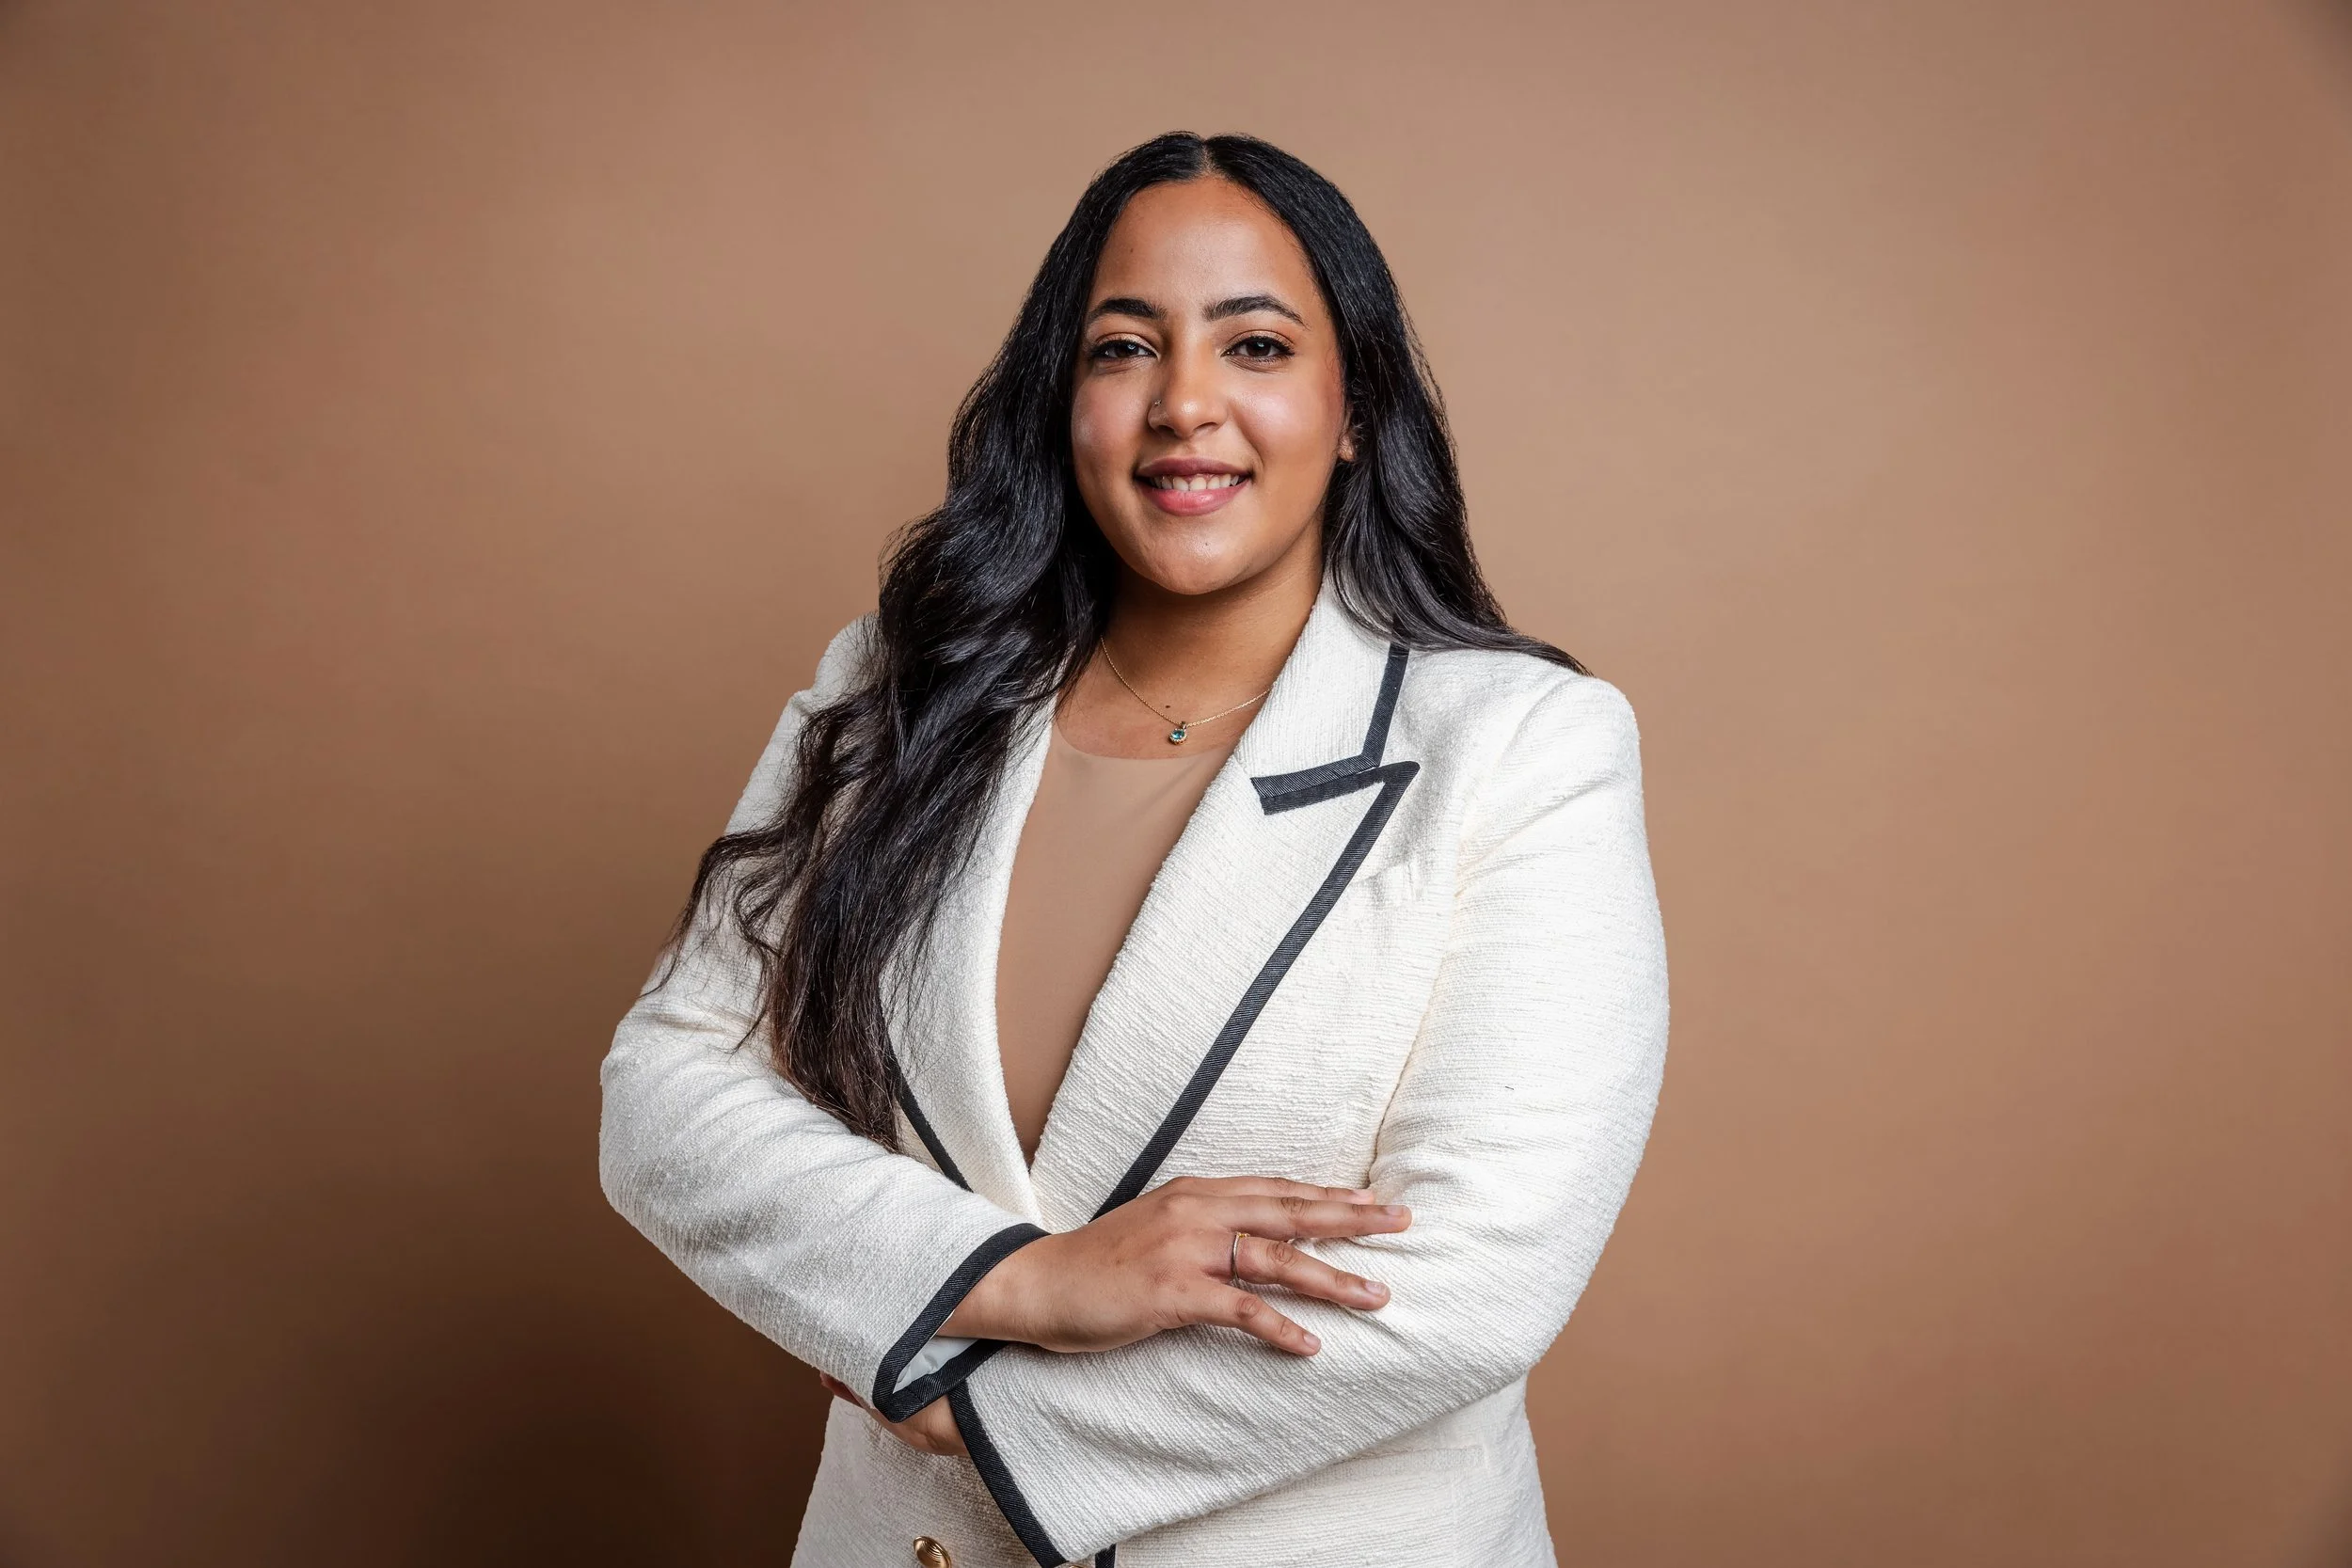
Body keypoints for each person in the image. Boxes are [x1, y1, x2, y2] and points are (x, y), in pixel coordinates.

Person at [598, 130, 1669, 1568]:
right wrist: (1021, 1283)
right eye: (1122, 348)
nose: (1185, 404)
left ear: (1355, 408)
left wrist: (968, 1414)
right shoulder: (895, 688)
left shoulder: (1525, 743)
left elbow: (1476, 1274)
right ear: (1063, 397)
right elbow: (665, 1091)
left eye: (1259, 346)